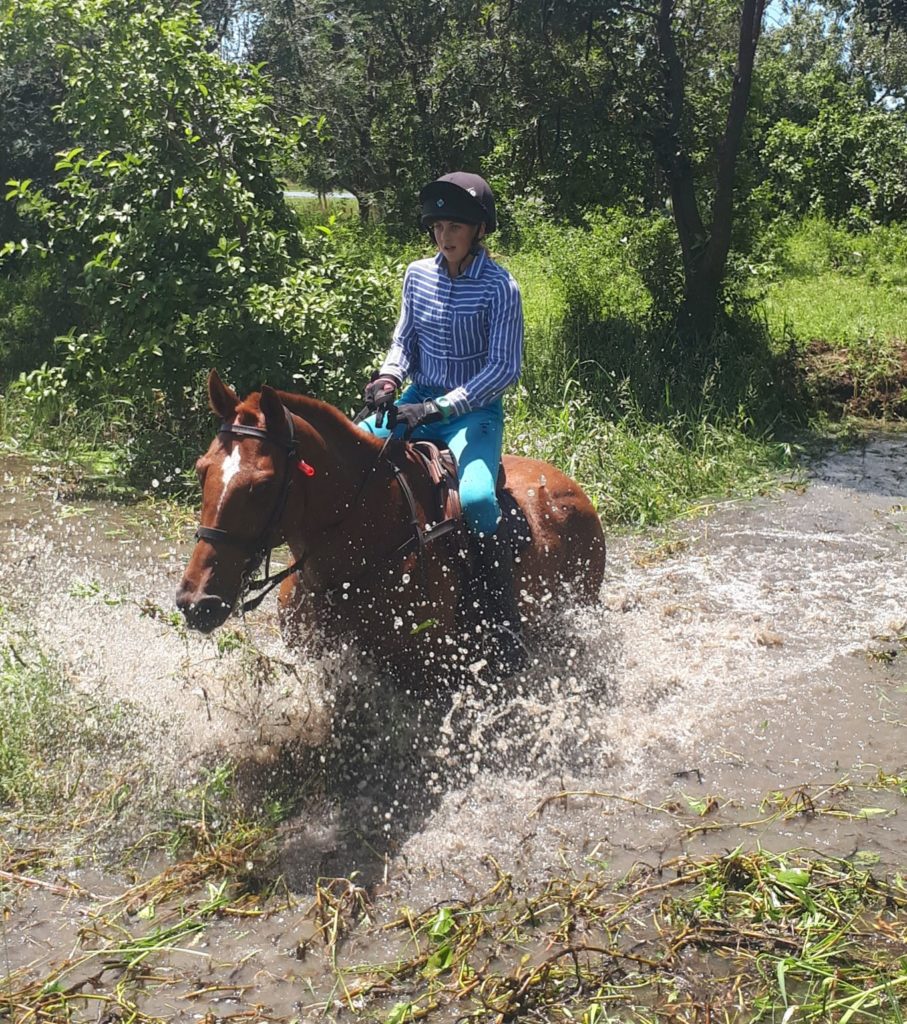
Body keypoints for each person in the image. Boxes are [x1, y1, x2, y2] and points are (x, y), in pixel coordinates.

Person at [359, 171, 524, 662]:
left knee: (474, 497)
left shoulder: (501, 288)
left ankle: (499, 614)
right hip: (416, 396)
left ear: (478, 230)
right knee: (349, 454)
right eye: (438, 226)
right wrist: (389, 379)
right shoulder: (417, 275)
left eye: (455, 226)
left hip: (472, 413)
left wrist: (438, 407)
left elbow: (502, 369)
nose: (444, 235)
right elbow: (404, 341)